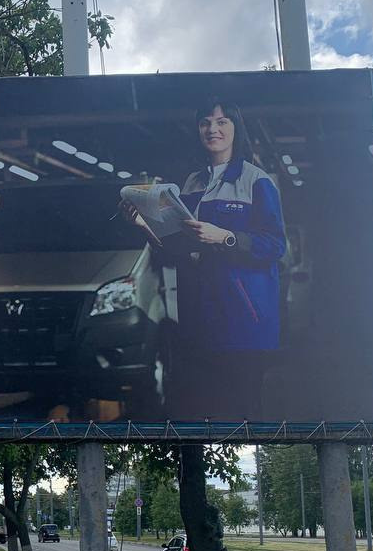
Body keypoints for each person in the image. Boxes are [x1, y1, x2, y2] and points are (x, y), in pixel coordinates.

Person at [121, 99, 286, 415]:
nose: (213, 129)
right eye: (205, 123)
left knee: (243, 415)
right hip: (197, 319)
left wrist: (224, 236)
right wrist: (143, 224)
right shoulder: (191, 183)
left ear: (236, 128)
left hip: (243, 323)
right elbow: (177, 250)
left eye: (222, 122)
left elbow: (276, 246)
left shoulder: (257, 180)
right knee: (199, 413)